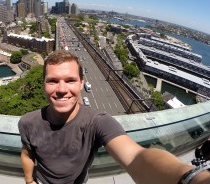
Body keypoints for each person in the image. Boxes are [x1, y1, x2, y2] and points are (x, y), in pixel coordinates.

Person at [18, 50, 210, 184]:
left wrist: (189, 178)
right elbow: (28, 154)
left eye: (70, 80)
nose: (61, 89)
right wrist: (29, 181)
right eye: (52, 81)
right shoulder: (27, 122)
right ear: (43, 83)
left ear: (81, 83)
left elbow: (136, 156)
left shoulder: (97, 122)